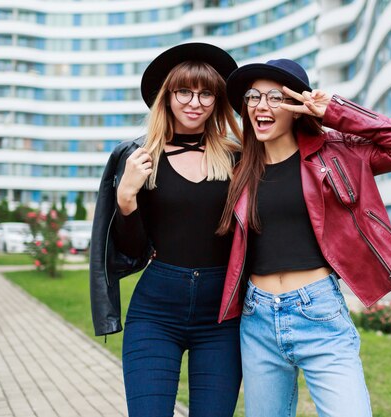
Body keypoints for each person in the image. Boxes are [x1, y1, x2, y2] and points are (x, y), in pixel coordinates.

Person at [215, 59, 391, 417]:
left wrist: (333, 110)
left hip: (318, 312)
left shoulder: (338, 152)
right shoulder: (238, 170)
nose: (261, 106)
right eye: (253, 97)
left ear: (298, 107)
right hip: (256, 319)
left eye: (275, 98)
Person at [89, 43, 243, 417]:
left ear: (217, 100)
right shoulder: (140, 157)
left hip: (221, 315)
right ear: (167, 97)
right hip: (156, 310)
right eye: (184, 92)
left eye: (206, 93)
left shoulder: (238, 156)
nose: (195, 102)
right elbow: (132, 248)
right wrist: (127, 197)